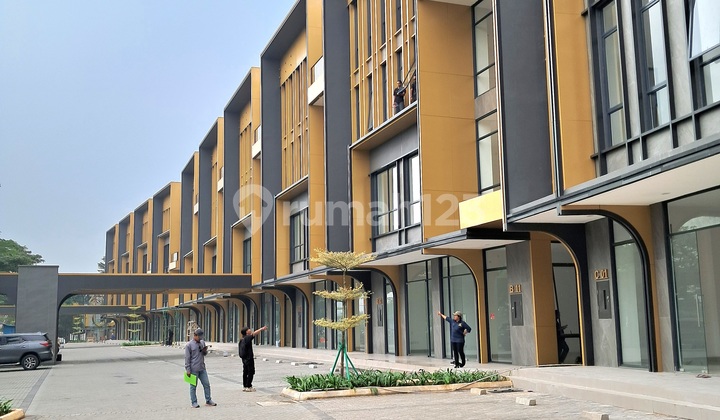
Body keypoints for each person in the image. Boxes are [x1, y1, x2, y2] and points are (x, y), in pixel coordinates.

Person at [185, 328, 216, 408]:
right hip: (193, 369)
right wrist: (188, 369)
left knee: (206, 384)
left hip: (202, 368)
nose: (200, 339)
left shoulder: (202, 342)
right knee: (193, 387)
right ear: (195, 335)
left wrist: (205, 351)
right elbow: (187, 358)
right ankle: (194, 402)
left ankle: (208, 400)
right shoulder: (189, 345)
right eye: (199, 337)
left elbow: (204, 354)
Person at [239, 325, 268, 392]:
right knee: (251, 372)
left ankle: (245, 386)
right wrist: (261, 329)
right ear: (246, 332)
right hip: (249, 358)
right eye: (248, 329)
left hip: (244, 358)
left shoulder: (242, 339)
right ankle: (249, 386)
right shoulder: (247, 338)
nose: (250, 330)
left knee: (245, 371)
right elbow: (254, 333)